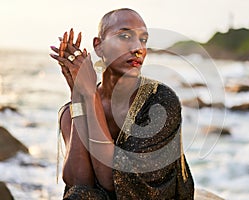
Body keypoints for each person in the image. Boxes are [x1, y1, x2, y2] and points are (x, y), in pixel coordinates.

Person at [50, 8, 194, 199]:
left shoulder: (159, 101)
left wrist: (90, 94)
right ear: (98, 46)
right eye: (125, 36)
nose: (138, 48)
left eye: (143, 40)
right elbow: (77, 182)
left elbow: (114, 180)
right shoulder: (71, 112)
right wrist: (79, 96)